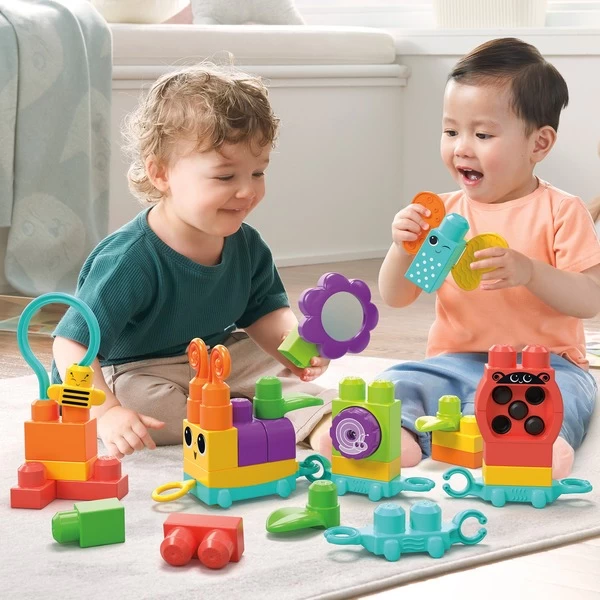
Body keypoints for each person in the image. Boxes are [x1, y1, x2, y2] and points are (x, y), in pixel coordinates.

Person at [309, 38, 600, 478]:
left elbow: (589, 298)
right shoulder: (442, 216)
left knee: (562, 397)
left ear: (538, 144)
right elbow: (399, 295)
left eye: (482, 135)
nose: (462, 147)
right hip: (455, 361)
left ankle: (529, 442)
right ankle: (392, 435)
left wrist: (530, 272)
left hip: (544, 365)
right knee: (398, 381)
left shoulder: (562, 211)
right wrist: (401, 247)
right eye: (450, 132)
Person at [53, 64, 333, 459]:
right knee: (144, 403)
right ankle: (244, 422)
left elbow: (265, 314)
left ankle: (312, 418)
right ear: (161, 173)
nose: (247, 191)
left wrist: (298, 353)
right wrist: (105, 412)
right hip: (136, 369)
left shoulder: (247, 245)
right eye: (225, 177)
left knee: (271, 369)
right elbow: (70, 345)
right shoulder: (129, 259)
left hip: (214, 358)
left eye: (257, 172)